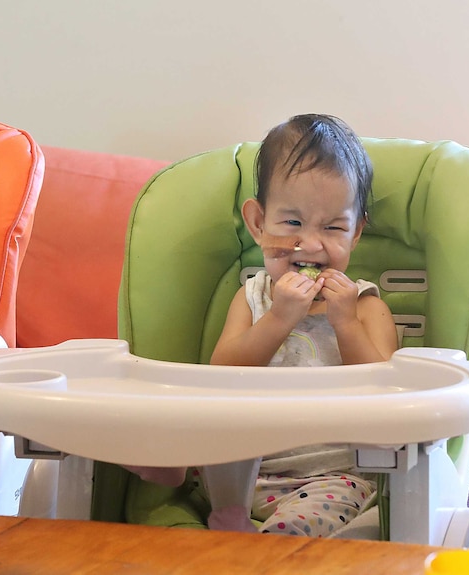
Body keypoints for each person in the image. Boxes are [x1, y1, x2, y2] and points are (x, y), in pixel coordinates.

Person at [128, 114, 398, 535]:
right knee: (174, 414)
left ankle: (248, 539)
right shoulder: (254, 297)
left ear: (357, 232)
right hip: (237, 469)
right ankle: (178, 468)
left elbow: (387, 397)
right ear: (258, 224)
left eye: (333, 227)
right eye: (291, 223)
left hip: (328, 478)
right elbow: (224, 373)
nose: (309, 243)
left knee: (295, 529)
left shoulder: (364, 307)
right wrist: (279, 317)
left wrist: (344, 323)